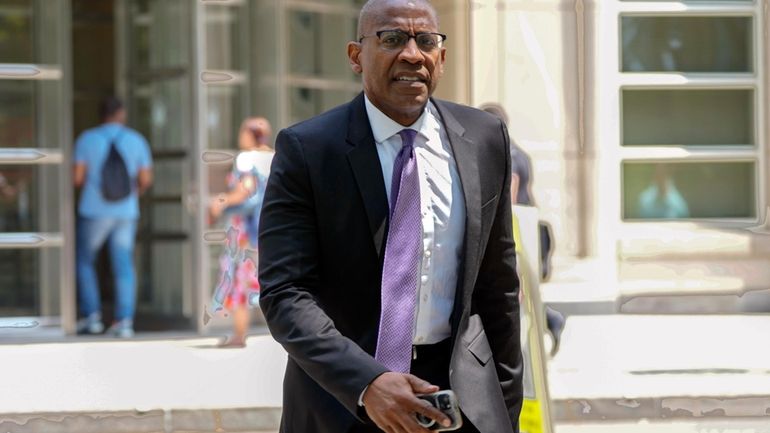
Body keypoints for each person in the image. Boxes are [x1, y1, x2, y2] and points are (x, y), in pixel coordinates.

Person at [258, 1, 523, 432]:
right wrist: (368, 382)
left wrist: (505, 416)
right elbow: (285, 293)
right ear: (355, 56)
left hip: (461, 400)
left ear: (441, 56)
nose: (412, 54)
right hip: (343, 400)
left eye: (426, 41)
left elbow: (499, 292)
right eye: (393, 39)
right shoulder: (308, 150)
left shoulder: (484, 139)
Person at [480, 102, 565, 356]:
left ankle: (544, 325)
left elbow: (511, 193)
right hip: (528, 228)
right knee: (521, 291)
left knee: (514, 291)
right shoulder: (519, 152)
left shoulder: (505, 153)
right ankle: (551, 320)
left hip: (517, 231)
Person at [74, 97, 153, 338]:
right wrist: (132, 193)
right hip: (126, 212)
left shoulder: (87, 139)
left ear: (101, 114)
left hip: (93, 211)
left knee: (85, 261)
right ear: (121, 113)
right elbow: (146, 179)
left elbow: (77, 178)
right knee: (123, 266)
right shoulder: (136, 140)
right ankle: (124, 321)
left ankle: (92, 317)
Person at [208, 117, 274, 347]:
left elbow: (245, 189)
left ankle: (239, 335)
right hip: (268, 228)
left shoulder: (246, 158)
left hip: (244, 230)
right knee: (270, 281)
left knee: (238, 279)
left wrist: (221, 201)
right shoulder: (275, 157)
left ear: (249, 134)